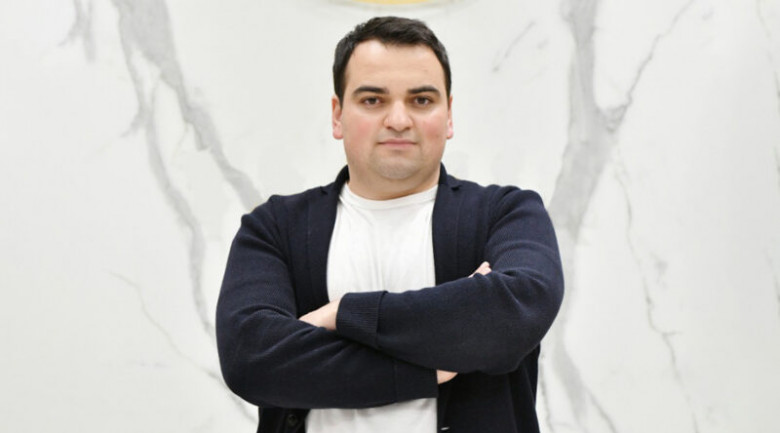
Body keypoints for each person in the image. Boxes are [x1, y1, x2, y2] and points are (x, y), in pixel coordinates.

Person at [216, 16, 564, 433]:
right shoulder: (274, 228)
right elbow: (251, 358)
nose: (398, 120)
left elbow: (513, 315)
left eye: (421, 100)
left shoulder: (506, 213)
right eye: (372, 100)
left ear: (449, 115)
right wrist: (427, 368)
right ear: (337, 116)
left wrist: (343, 313)